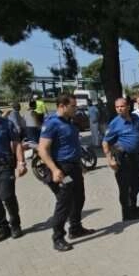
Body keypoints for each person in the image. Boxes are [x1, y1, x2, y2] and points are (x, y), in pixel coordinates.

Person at [37, 94, 96, 251]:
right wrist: (55, 170)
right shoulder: (52, 123)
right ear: (62, 106)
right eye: (73, 106)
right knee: (64, 202)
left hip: (73, 167)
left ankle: (75, 228)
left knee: (79, 197)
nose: (76, 109)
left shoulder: (68, 122)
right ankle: (57, 237)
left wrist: (79, 164)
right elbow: (42, 149)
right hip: (61, 168)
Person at [0, 97, 27, 242]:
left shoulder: (5, 124)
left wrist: (21, 162)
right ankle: (3, 228)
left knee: (7, 196)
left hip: (4, 166)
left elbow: (16, 144)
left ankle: (15, 225)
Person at [102, 98, 139, 221]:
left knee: (137, 182)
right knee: (125, 186)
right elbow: (105, 142)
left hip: (136, 157)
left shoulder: (135, 118)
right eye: (117, 107)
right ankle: (127, 213)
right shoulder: (115, 123)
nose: (119, 109)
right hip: (123, 158)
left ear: (128, 106)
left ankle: (133, 207)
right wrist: (110, 159)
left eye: (122, 106)